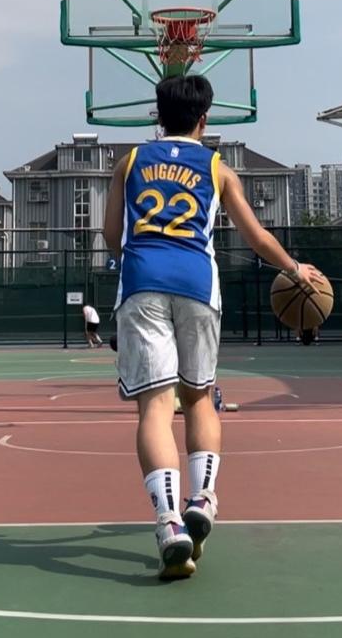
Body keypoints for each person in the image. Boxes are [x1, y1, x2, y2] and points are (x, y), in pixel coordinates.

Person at [103, 73, 323, 581]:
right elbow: (256, 236)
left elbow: (111, 235)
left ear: (157, 117)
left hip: (142, 284)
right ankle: (201, 497)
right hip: (198, 286)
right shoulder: (218, 168)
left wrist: (134, 257)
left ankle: (169, 524)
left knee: (155, 408)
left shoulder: (128, 163)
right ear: (204, 120)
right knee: (200, 397)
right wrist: (295, 269)